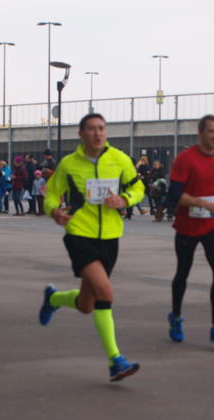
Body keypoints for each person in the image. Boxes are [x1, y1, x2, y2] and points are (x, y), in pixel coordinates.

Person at [38, 113, 144, 382]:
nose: (97, 133)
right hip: (79, 233)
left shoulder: (120, 159)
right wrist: (54, 211)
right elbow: (52, 192)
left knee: (87, 304)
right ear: (81, 134)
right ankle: (115, 360)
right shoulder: (69, 164)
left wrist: (125, 199)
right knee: (105, 292)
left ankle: (53, 299)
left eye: (101, 128)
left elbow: (138, 187)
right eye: (91, 129)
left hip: (110, 236)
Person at [165, 114, 214, 345]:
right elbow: (175, 194)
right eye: (212, 132)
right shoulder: (185, 159)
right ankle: (175, 316)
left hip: (211, 225)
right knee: (183, 272)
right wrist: (203, 203)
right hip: (187, 226)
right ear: (201, 133)